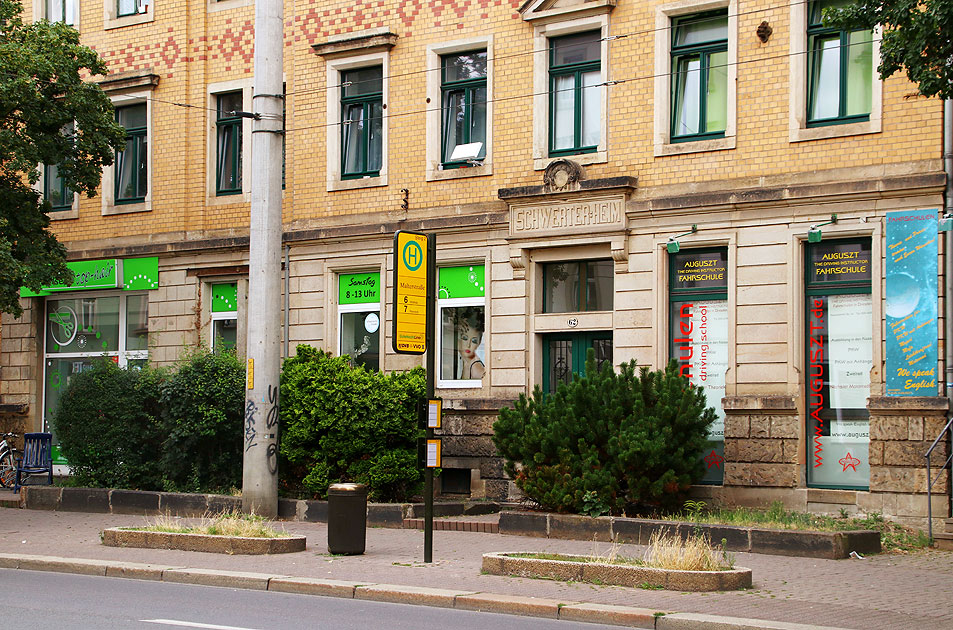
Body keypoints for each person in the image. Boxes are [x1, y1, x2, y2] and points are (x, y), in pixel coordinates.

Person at [457, 310, 484, 379]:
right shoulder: (467, 363)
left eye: (474, 341)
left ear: (479, 342)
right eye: (465, 338)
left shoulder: (476, 368)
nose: (468, 345)